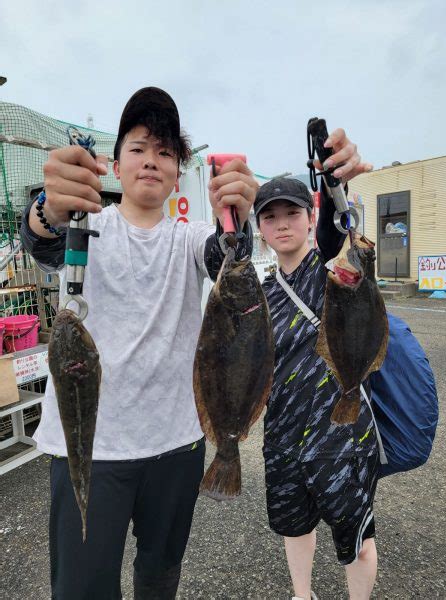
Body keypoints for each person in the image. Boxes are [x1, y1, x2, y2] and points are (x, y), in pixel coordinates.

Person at [21, 87, 257, 600]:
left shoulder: (190, 238)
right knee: (82, 587)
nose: (152, 161)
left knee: (159, 575)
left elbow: (228, 258)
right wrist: (46, 208)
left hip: (177, 444)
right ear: (114, 162)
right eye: (139, 148)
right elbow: (43, 238)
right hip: (90, 447)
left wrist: (239, 216)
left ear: (179, 169)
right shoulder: (85, 225)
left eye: (166, 152)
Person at [254, 132, 378, 600]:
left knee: (359, 545)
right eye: (270, 217)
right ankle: (301, 595)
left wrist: (331, 183)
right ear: (260, 228)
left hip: (343, 436)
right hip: (283, 435)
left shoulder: (333, 270)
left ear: (309, 219)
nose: (282, 224)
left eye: (292, 213)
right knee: (294, 527)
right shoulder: (258, 295)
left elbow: (336, 231)